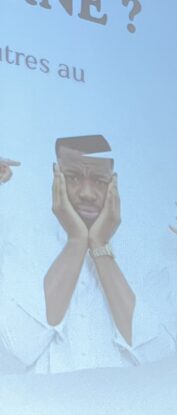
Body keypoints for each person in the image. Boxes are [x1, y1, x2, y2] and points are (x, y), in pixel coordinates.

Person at [42, 134, 138, 365]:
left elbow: (144, 345)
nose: (87, 193)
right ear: (56, 176)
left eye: (99, 181)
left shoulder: (141, 251)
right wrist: (76, 240)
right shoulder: (21, 240)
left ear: (113, 182)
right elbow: (22, 346)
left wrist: (99, 243)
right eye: (73, 178)